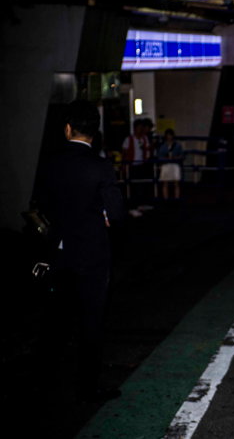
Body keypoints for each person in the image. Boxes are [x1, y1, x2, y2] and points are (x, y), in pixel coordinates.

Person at [36, 99, 126, 402]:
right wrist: (105, 219)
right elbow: (117, 214)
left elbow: (43, 207)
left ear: (67, 129)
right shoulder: (100, 167)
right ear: (95, 133)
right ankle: (87, 387)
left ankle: (45, 379)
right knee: (92, 322)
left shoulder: (50, 164)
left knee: (56, 319)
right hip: (93, 255)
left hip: (60, 253)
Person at [158, 128, 184, 199]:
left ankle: (176, 199)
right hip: (166, 165)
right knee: (165, 183)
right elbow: (160, 156)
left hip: (175, 165)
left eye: (170, 135)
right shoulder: (163, 146)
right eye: (168, 135)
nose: (169, 137)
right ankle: (166, 199)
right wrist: (165, 158)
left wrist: (175, 157)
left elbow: (181, 155)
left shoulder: (177, 145)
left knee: (176, 183)